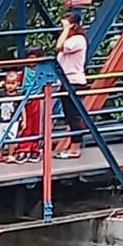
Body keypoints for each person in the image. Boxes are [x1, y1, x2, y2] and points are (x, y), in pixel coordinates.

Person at [53, 11, 87, 159]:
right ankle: (74, 146)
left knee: (73, 116)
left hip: (74, 82)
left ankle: (75, 148)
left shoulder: (78, 39)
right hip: (66, 82)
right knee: (69, 116)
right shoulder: (72, 40)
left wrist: (66, 29)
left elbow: (59, 46)